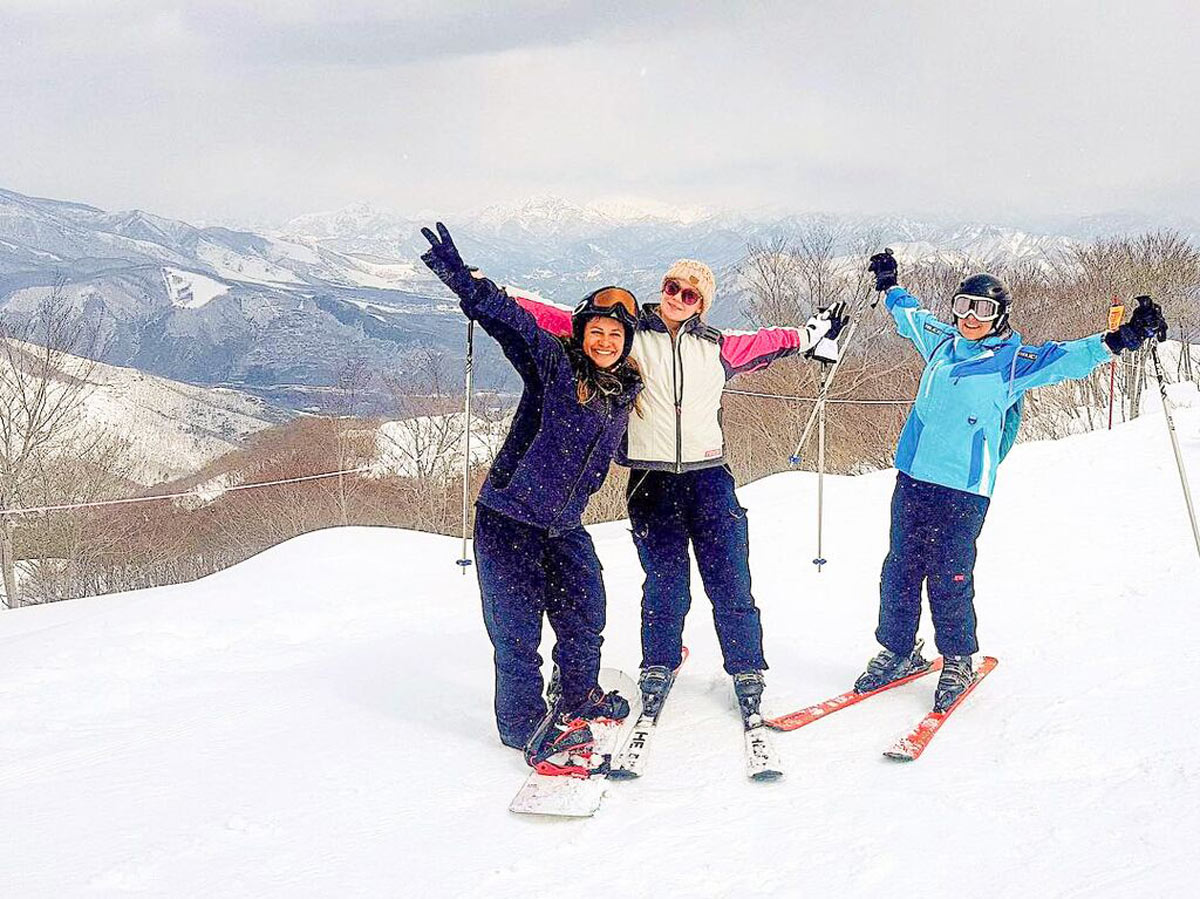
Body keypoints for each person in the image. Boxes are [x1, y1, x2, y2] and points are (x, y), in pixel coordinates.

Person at [514, 259, 847, 726]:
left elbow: (770, 341)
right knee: (665, 586)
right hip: (652, 483)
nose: (677, 298)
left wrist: (808, 337)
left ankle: (747, 667)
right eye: (673, 287)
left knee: (731, 582)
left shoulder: (717, 347)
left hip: (710, 479)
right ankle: (658, 663)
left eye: (690, 294)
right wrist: (496, 296)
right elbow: (560, 321)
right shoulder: (630, 337)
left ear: (702, 305)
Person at [854, 249, 1168, 711]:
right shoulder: (941, 342)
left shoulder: (1014, 360)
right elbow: (910, 315)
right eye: (963, 305)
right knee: (899, 567)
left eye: (982, 309)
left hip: (964, 487)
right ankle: (898, 649)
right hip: (914, 476)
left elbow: (1068, 358)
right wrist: (889, 284)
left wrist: (1123, 337)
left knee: (949, 574)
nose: (970, 317)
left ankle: (958, 658)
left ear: (999, 315)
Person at [419, 223, 644, 768]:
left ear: (626, 343)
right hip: (509, 518)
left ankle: (576, 696)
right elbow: (507, 323)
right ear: (582, 331)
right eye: (596, 330)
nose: (605, 341)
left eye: (616, 335)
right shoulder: (554, 366)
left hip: (563, 524)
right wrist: (460, 278)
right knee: (517, 630)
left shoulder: (625, 391)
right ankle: (523, 726)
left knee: (585, 612)